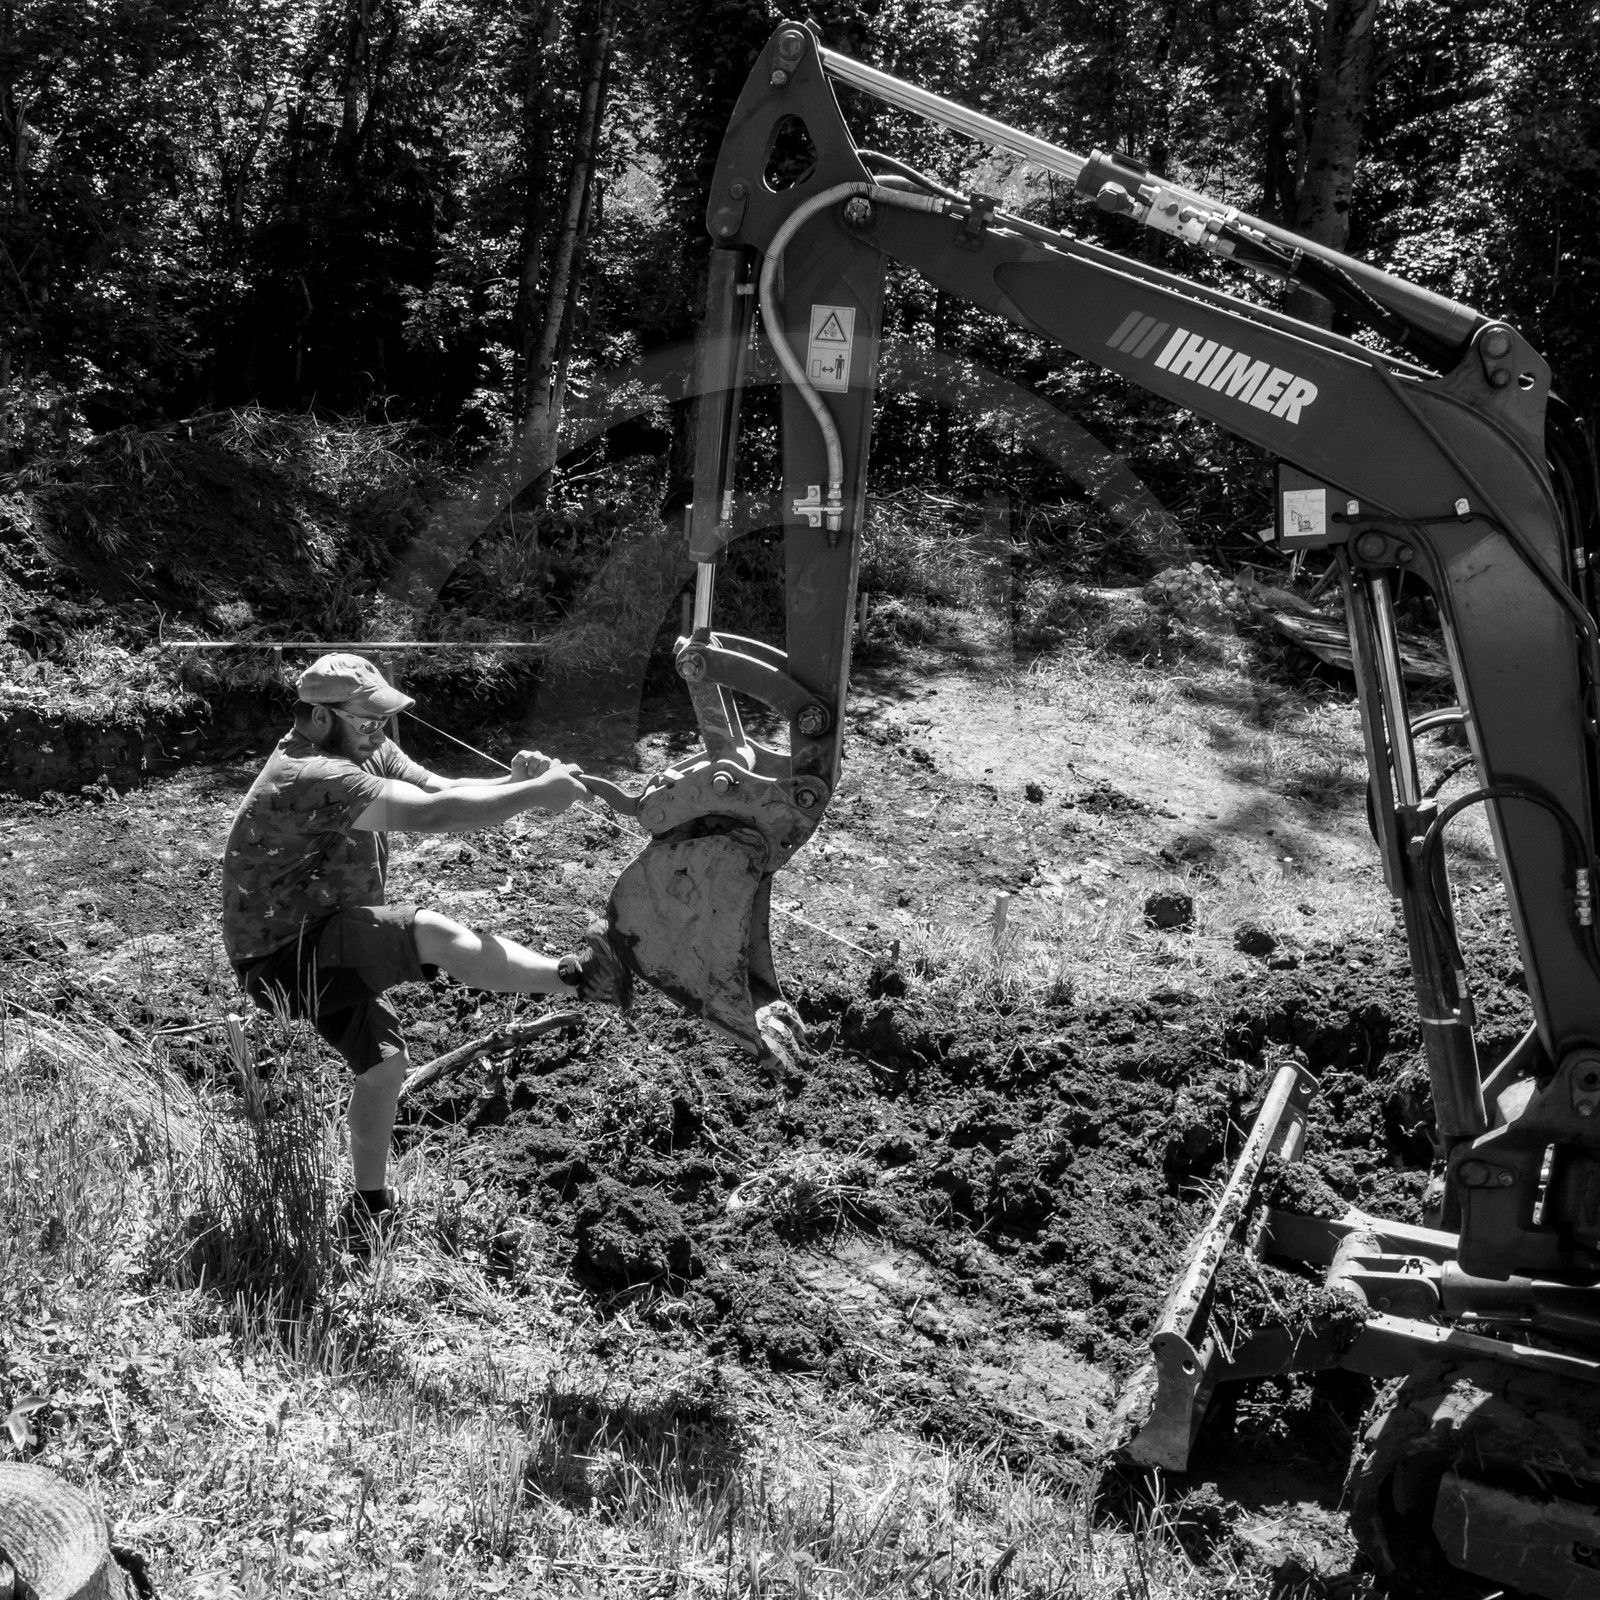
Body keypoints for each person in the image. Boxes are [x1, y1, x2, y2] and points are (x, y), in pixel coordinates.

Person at [220, 652, 629, 1241]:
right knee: (430, 932)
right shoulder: (311, 775)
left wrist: (515, 783)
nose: (378, 730)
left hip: (327, 932)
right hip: (285, 956)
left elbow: (441, 786)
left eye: (382, 718)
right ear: (316, 717)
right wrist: (537, 794)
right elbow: (433, 815)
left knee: (385, 1068)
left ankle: (367, 1207)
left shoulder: (361, 748)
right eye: (365, 720)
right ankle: (578, 977)